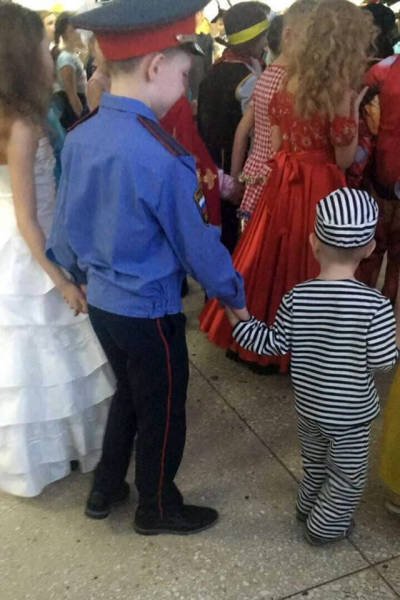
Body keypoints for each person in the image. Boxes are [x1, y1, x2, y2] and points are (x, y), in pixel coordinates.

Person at [46, 0, 248, 535]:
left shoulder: (82, 136)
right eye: (184, 74)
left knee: (130, 394)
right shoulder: (164, 155)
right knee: (162, 409)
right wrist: (232, 294)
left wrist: (73, 277)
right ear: (156, 66)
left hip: (102, 305)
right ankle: (156, 506)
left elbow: (63, 230)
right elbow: (197, 247)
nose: (185, 85)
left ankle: (106, 487)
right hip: (151, 311)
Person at [200, 0, 375, 374]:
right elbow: (344, 159)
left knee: (268, 258)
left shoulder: (286, 81)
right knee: (314, 263)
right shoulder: (338, 90)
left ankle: (251, 339)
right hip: (320, 183)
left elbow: (278, 146)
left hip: (282, 180)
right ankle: (311, 350)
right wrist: (354, 114)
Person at [227, 188, 398, 544]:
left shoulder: (297, 297)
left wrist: (239, 320)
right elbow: (383, 361)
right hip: (350, 415)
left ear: (313, 243)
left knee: (315, 464)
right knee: (348, 477)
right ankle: (323, 526)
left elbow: (272, 343)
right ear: (369, 249)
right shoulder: (375, 306)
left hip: (309, 408)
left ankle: (306, 506)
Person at [0, 2, 114, 498]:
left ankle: (49, 450)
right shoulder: (23, 125)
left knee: (31, 357)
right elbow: (28, 220)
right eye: (42, 48)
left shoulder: (15, 117)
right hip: (33, 246)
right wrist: (61, 279)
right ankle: (58, 449)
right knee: (46, 352)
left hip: (18, 238)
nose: (49, 54)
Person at [231, 0, 315, 228]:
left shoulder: (264, 77)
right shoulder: (292, 83)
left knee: (251, 237)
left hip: (255, 171)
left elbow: (242, 131)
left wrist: (235, 177)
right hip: (279, 175)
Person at [197, 1, 270, 253]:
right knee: (236, 234)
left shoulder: (216, 69)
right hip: (236, 167)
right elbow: (253, 132)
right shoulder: (248, 80)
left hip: (210, 162)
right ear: (255, 39)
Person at [356, 54, 400, 304]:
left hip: (383, 166)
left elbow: (360, 101)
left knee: (374, 246)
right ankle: (387, 304)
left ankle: (365, 306)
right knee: (397, 253)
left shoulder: (384, 68)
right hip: (385, 166)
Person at [53, 12, 88, 129]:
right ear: (65, 34)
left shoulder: (73, 55)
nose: (78, 32)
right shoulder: (66, 58)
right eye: (74, 30)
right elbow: (72, 96)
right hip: (73, 110)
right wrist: (83, 119)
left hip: (81, 101)